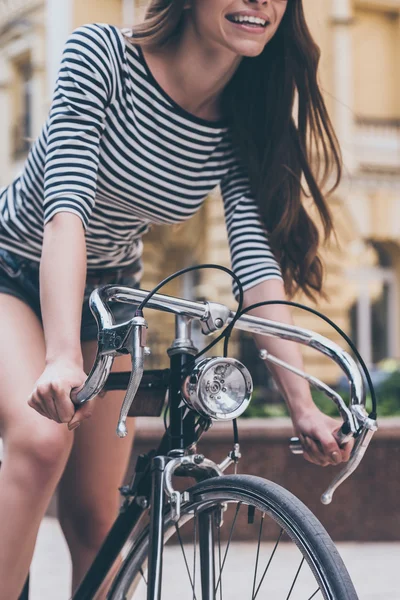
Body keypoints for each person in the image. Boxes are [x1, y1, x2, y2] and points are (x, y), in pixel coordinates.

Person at [0, 0, 353, 597]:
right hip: (14, 268)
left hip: (107, 294)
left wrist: (304, 401)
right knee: (40, 442)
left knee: (97, 515)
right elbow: (66, 211)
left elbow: (255, 262)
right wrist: (61, 355)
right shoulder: (104, 57)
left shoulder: (245, 113)